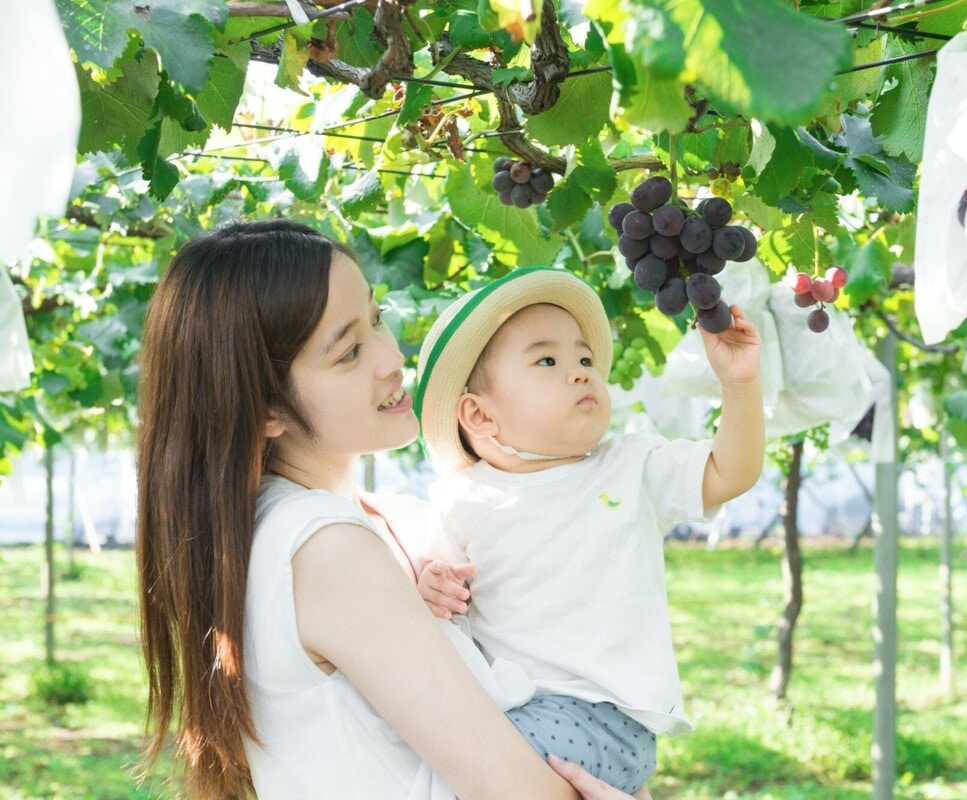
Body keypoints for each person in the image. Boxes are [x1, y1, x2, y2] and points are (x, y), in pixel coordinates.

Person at [134, 220, 639, 800]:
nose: (392, 357)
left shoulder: (384, 520)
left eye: (376, 319)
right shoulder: (322, 548)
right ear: (268, 409)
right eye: (349, 352)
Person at [412, 267, 765, 795]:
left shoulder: (629, 467)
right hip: (512, 705)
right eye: (547, 361)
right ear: (478, 415)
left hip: (605, 718)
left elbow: (728, 472)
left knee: (456, 774)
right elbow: (442, 617)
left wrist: (739, 384)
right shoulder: (461, 502)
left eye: (583, 359)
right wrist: (430, 588)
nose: (580, 373)